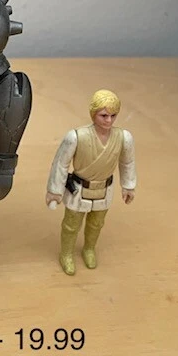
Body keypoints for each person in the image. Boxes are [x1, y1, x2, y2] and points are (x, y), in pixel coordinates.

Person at [45, 89, 136, 275]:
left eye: (113, 116)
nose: (108, 120)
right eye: (103, 115)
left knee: (96, 223)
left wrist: (128, 186)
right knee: (71, 225)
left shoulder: (123, 138)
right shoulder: (76, 137)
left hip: (104, 188)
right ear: (93, 114)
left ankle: (89, 249)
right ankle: (66, 254)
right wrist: (55, 190)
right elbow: (61, 164)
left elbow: (127, 162)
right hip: (79, 188)